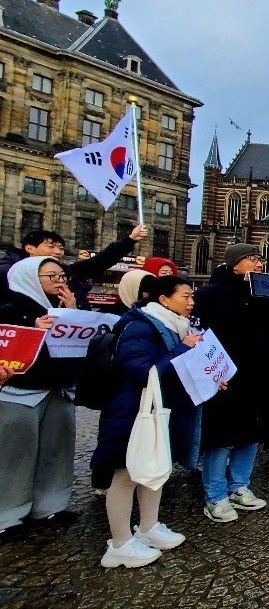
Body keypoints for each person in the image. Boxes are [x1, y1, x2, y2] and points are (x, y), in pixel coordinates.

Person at [93, 276, 201, 568]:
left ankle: (149, 526)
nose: (191, 302)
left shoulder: (173, 326)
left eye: (192, 297)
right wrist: (183, 349)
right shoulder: (140, 326)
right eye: (185, 297)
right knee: (126, 474)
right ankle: (119, 544)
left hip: (158, 409)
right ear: (163, 300)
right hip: (131, 410)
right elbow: (143, 372)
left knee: (155, 467)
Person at [192, 244, 269, 523]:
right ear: (235, 263)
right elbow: (199, 335)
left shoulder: (263, 293)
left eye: (260, 259)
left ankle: (239, 486)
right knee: (221, 437)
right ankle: (215, 495)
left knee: (250, 434)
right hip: (223, 376)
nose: (259, 264)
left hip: (257, 375)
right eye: (252, 259)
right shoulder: (211, 295)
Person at [0, 257, 81, 537]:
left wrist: (74, 313)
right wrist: (32, 329)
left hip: (58, 390)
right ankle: (7, 517)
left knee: (56, 452)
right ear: (30, 278)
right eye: (52, 277)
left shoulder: (66, 307)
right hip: (21, 393)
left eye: (62, 276)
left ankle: (50, 506)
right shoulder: (9, 308)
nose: (61, 282)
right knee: (15, 456)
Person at [0, 225, 148, 309]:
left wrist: (130, 240)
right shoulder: (6, 272)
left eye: (61, 248)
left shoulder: (68, 272)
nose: (58, 252)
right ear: (30, 249)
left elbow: (98, 262)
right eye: (51, 246)